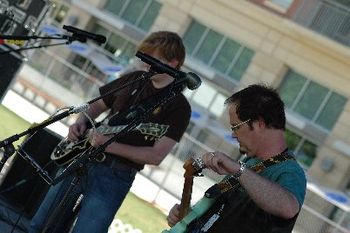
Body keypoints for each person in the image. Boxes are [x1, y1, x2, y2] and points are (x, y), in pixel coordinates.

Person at [28, 31, 192, 233]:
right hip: (81, 156)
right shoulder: (134, 78)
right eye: (145, 56)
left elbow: (156, 155)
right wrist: (80, 122)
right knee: (39, 224)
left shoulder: (179, 107)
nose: (147, 63)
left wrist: (109, 144)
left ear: (174, 62)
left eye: (154, 58)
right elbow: (95, 106)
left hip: (115, 175)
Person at [166, 84, 306, 233]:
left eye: (235, 127)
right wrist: (189, 217)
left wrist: (239, 170)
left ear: (259, 123)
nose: (233, 134)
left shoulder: (290, 171)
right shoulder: (250, 162)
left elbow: (288, 208)